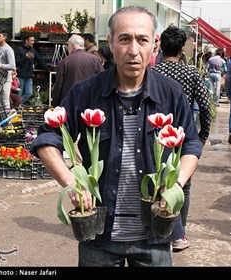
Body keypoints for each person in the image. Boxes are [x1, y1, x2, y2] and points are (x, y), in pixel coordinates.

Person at [31, 6, 202, 267]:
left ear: (154, 46)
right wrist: (71, 184)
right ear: (110, 43)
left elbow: (190, 143)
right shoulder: (87, 93)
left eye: (142, 39)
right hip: (99, 235)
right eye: (124, 39)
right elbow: (46, 139)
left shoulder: (171, 94)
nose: (133, 50)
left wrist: (175, 183)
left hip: (154, 234)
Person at [152, 25, 210, 252]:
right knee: (182, 184)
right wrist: (202, 135)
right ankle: (177, 234)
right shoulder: (192, 73)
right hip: (183, 136)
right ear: (182, 48)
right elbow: (205, 107)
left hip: (155, 134)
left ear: (161, 46)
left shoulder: (153, 72)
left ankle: (157, 226)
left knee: (157, 179)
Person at [51, 34, 104, 107]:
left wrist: (55, 104)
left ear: (73, 45)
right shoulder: (94, 60)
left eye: (68, 45)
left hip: (69, 102)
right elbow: (103, 79)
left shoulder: (65, 61)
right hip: (90, 101)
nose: (67, 48)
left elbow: (58, 85)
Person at [15, 34, 49, 104]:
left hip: (29, 76)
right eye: (31, 40)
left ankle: (16, 104)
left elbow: (39, 60)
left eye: (33, 41)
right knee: (19, 94)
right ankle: (16, 105)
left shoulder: (32, 50)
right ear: (26, 41)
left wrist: (47, 68)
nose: (33, 42)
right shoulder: (19, 50)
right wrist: (26, 58)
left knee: (29, 93)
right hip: (20, 76)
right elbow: (16, 62)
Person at [0, 31, 15, 109]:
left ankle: (8, 119)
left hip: (6, 77)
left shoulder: (8, 49)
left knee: (5, 99)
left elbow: (12, 65)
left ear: (5, 37)